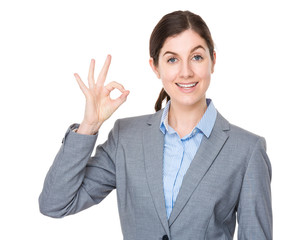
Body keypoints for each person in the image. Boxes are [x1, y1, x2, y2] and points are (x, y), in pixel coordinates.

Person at [39, 10, 272, 240]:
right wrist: (89, 125)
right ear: (155, 67)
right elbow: (55, 204)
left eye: (197, 57)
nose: (186, 72)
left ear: (212, 61)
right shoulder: (126, 138)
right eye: (172, 59)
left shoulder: (247, 150)